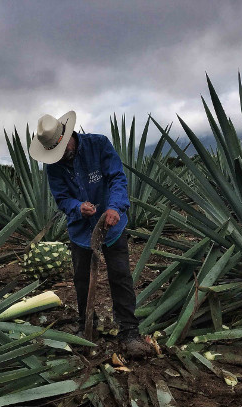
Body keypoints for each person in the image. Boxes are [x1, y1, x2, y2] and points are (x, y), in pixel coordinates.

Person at [29, 111, 151, 357]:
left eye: (62, 148)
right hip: (81, 230)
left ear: (67, 135)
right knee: (82, 279)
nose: (60, 155)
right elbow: (62, 198)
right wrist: (77, 207)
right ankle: (88, 325)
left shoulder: (98, 145)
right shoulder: (54, 166)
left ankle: (128, 330)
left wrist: (115, 207)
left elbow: (117, 177)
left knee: (120, 275)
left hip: (112, 224)